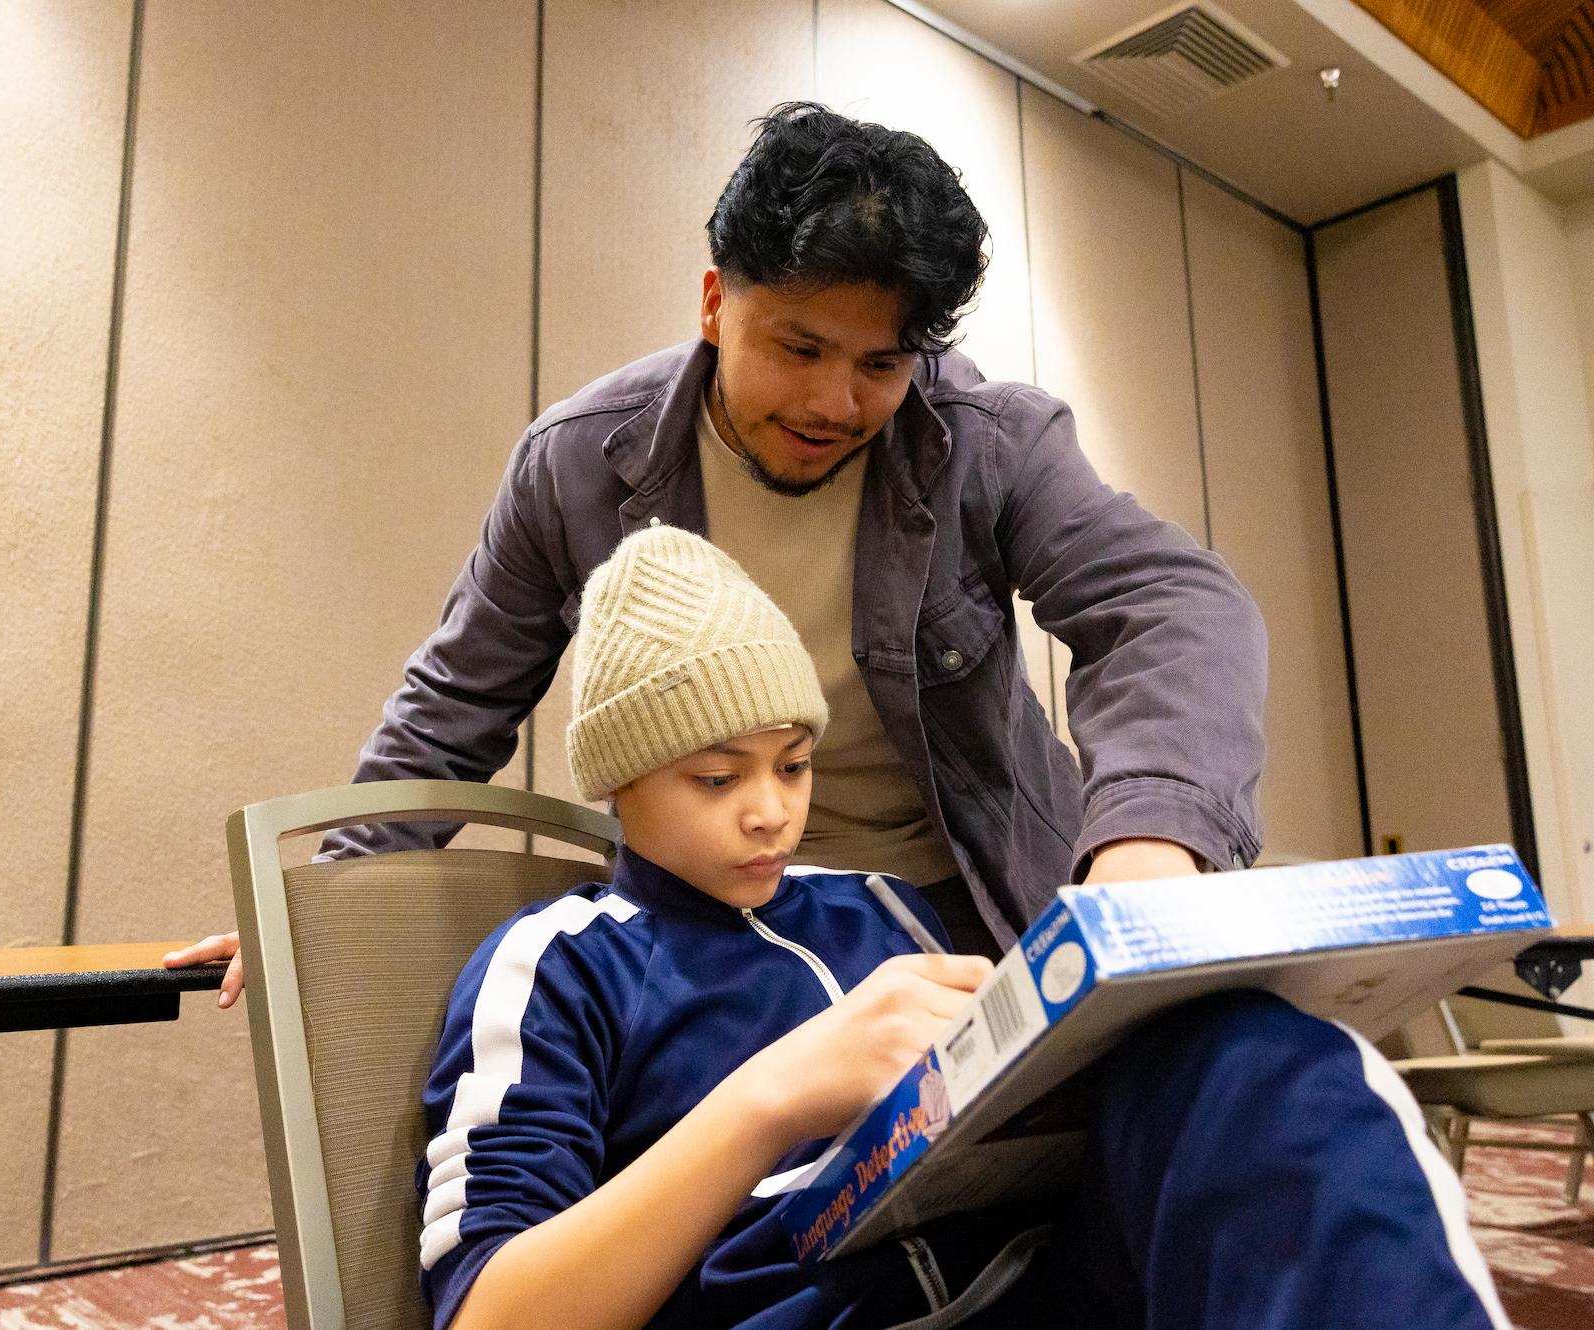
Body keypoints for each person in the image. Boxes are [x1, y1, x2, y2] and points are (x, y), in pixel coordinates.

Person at [169, 102, 1267, 1002]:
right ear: (713, 303)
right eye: (798, 348)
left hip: (956, 904)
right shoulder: (579, 463)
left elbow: (1172, 609)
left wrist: (1145, 852)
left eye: (881, 366)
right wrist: (327, 908)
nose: (835, 402)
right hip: (704, 915)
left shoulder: (987, 441)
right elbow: (456, 701)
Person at [416, 524, 1505, 1330]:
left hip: (1026, 1280)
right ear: (619, 782)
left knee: (1239, 1058)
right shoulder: (557, 960)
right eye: (716, 776)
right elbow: (489, 1314)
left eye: (792, 765)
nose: (770, 810)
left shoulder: (873, 908)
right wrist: (771, 1096)